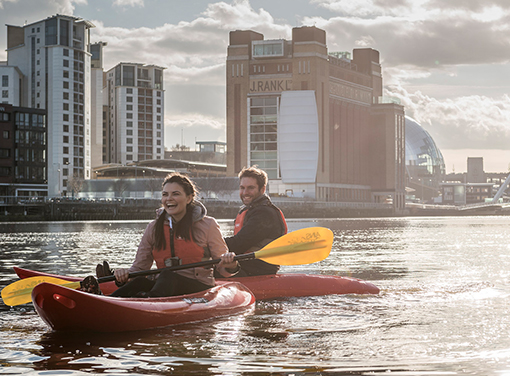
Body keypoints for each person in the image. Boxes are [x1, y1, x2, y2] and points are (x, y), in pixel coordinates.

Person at [107, 172, 240, 298]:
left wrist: (230, 264)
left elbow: (223, 268)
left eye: (175, 194)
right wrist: (123, 275)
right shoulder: (153, 228)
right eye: (165, 194)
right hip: (164, 285)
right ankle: (108, 299)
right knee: (140, 282)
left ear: (188, 198)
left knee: (167, 275)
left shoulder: (208, 225)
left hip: (198, 287)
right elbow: (140, 268)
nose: (169, 199)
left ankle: (148, 300)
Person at [222, 166, 287, 276]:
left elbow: (238, 244)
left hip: (258, 271)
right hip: (243, 266)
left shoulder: (265, 213)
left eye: (250, 188)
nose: (245, 192)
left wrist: (207, 245)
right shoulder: (250, 210)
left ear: (262, 189)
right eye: (242, 188)